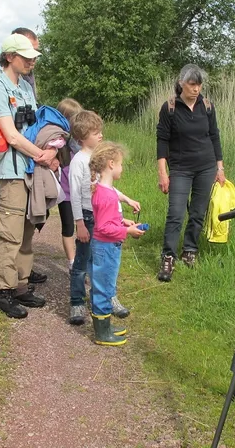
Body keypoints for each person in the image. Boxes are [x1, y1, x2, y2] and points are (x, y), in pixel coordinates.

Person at [0, 33, 56, 319]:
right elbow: (11, 135)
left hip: (31, 170)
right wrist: (41, 155)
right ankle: (1, 290)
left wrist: (51, 149)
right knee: (10, 233)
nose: (31, 62)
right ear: (10, 56)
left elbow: (37, 124)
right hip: (12, 171)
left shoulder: (25, 86)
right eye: (26, 57)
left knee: (28, 230)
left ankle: (21, 285)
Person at [68, 111, 140, 324]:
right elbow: (74, 195)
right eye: (95, 132)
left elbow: (107, 188)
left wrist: (126, 200)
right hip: (88, 218)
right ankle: (77, 302)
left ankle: (108, 297)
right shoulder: (79, 162)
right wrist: (79, 223)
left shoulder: (99, 159)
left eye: (100, 132)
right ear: (82, 136)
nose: (100, 135)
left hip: (102, 217)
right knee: (82, 261)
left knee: (104, 262)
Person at [156, 64, 225, 282]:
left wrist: (220, 167)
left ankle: (190, 250)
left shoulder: (207, 106)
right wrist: (162, 172)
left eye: (199, 84)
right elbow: (162, 141)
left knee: (197, 213)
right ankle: (168, 257)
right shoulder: (169, 108)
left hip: (206, 167)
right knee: (176, 214)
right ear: (181, 84)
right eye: (192, 84)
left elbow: (214, 136)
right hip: (180, 168)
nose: (196, 89)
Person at [88, 142, 145, 345]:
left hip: (109, 246)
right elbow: (103, 228)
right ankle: (102, 334)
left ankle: (106, 326)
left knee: (107, 286)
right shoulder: (105, 195)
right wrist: (127, 230)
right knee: (103, 288)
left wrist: (123, 222)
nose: (122, 168)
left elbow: (109, 220)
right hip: (106, 248)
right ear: (111, 164)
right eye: (121, 164)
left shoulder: (108, 190)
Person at [56, 98, 83, 271]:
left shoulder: (79, 141)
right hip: (65, 192)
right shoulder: (56, 140)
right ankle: (72, 263)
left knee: (83, 225)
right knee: (68, 227)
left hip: (81, 192)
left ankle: (82, 258)